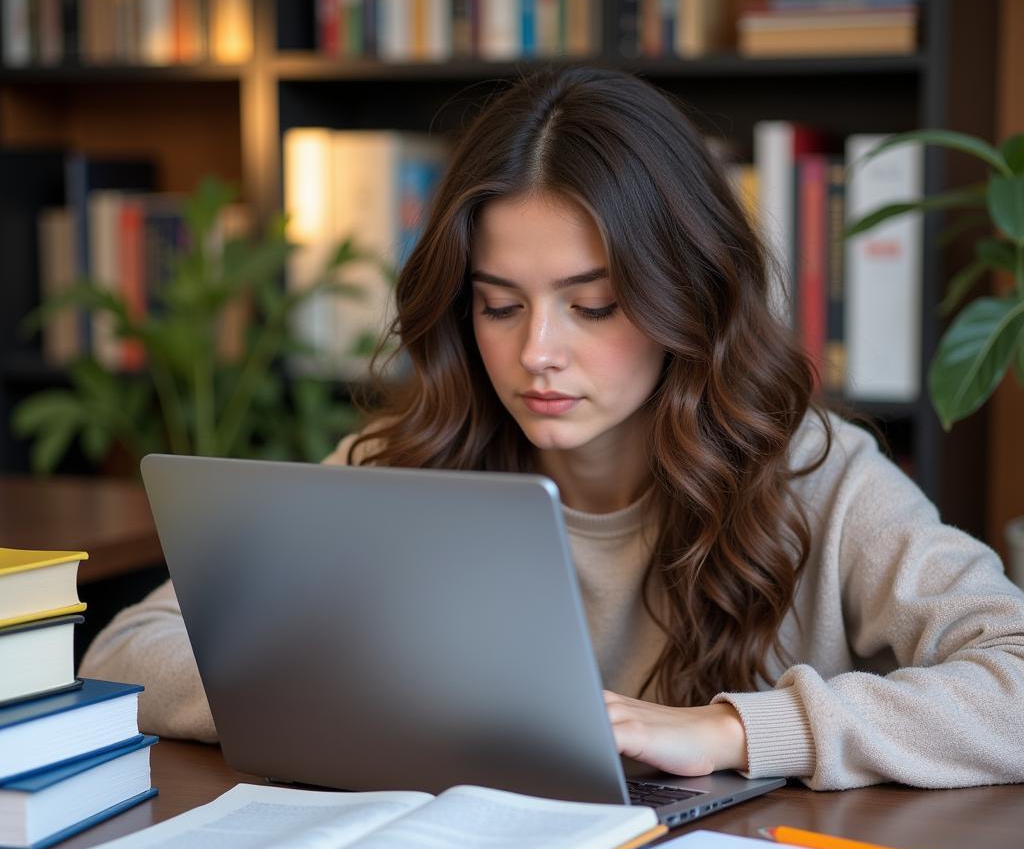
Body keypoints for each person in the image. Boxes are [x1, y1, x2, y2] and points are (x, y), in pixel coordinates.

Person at [81, 65, 1024, 791]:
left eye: (595, 305)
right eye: (499, 306)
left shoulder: (819, 476)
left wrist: (736, 730)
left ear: (685, 298)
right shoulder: (399, 467)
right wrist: (362, 704)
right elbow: (128, 652)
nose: (538, 351)